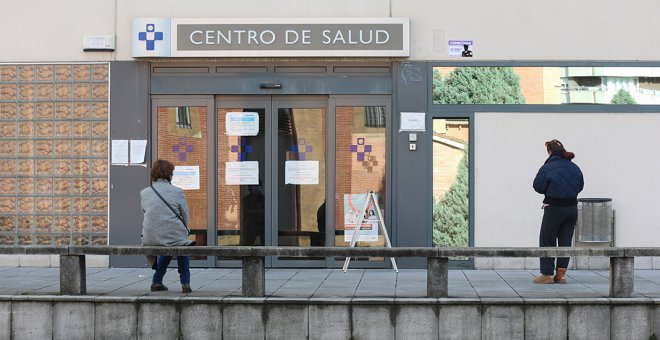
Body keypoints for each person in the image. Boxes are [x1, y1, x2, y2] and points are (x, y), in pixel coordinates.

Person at [532, 139, 584, 284]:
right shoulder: (574, 167)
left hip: (554, 208)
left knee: (547, 240)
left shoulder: (548, 167)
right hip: (572, 209)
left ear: (550, 151)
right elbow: (580, 186)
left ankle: (547, 275)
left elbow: (537, 186)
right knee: (565, 242)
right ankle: (561, 275)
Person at [140, 159, 195, 293]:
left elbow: (146, 212)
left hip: (150, 238)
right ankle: (185, 283)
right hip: (171, 236)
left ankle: (157, 281)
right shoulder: (177, 192)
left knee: (169, 243)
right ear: (170, 174)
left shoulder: (144, 192)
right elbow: (185, 216)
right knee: (181, 245)